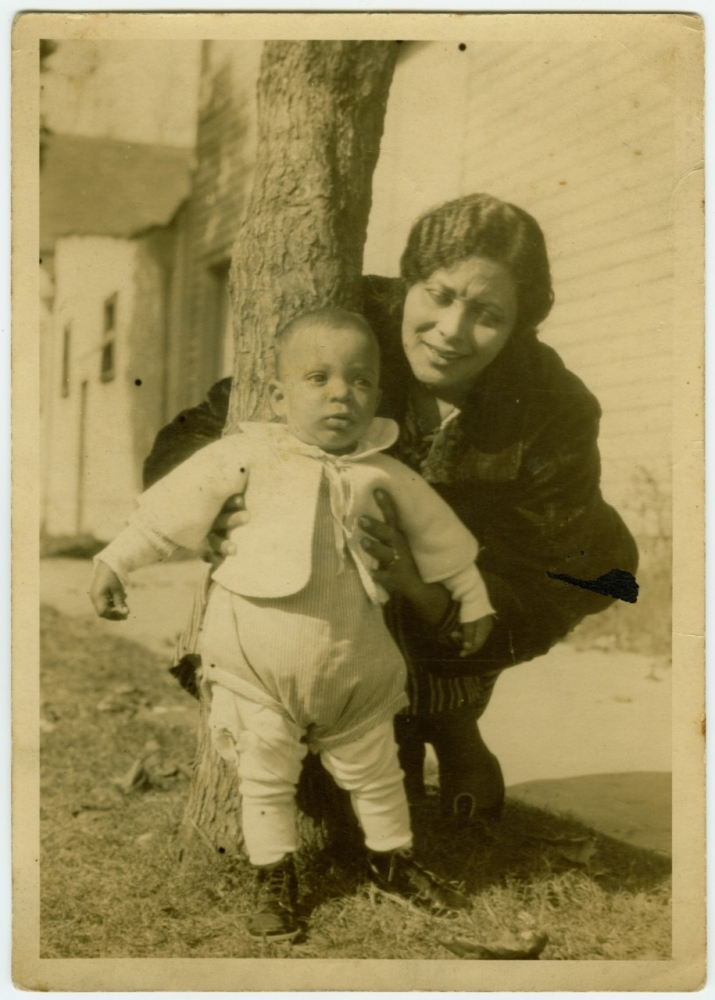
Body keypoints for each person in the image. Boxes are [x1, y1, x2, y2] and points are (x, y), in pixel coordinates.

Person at [145, 193, 638, 824]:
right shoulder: (352, 330)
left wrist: (424, 587)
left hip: (462, 576)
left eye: (488, 314)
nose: (451, 331)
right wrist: (219, 516)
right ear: (408, 282)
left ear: (520, 326)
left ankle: (453, 717)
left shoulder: (554, 405)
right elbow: (197, 432)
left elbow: (548, 573)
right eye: (438, 294)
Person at [90, 307, 495, 940]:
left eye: (361, 382)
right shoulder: (247, 455)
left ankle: (393, 861)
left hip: (353, 669)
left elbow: (443, 541)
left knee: (378, 771)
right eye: (318, 378)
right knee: (264, 774)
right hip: (258, 667)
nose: (342, 393)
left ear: (377, 394)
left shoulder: (385, 472)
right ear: (280, 394)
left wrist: (473, 600)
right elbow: (170, 512)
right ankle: (274, 878)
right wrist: (116, 560)